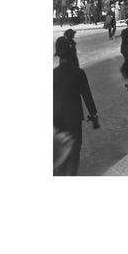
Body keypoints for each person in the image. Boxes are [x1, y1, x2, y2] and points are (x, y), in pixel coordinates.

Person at [53, 45, 99, 175]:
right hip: (73, 118)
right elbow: (87, 96)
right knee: (74, 150)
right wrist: (94, 115)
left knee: (58, 149)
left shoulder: (52, 74)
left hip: (55, 118)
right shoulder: (78, 72)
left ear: (59, 56)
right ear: (71, 55)